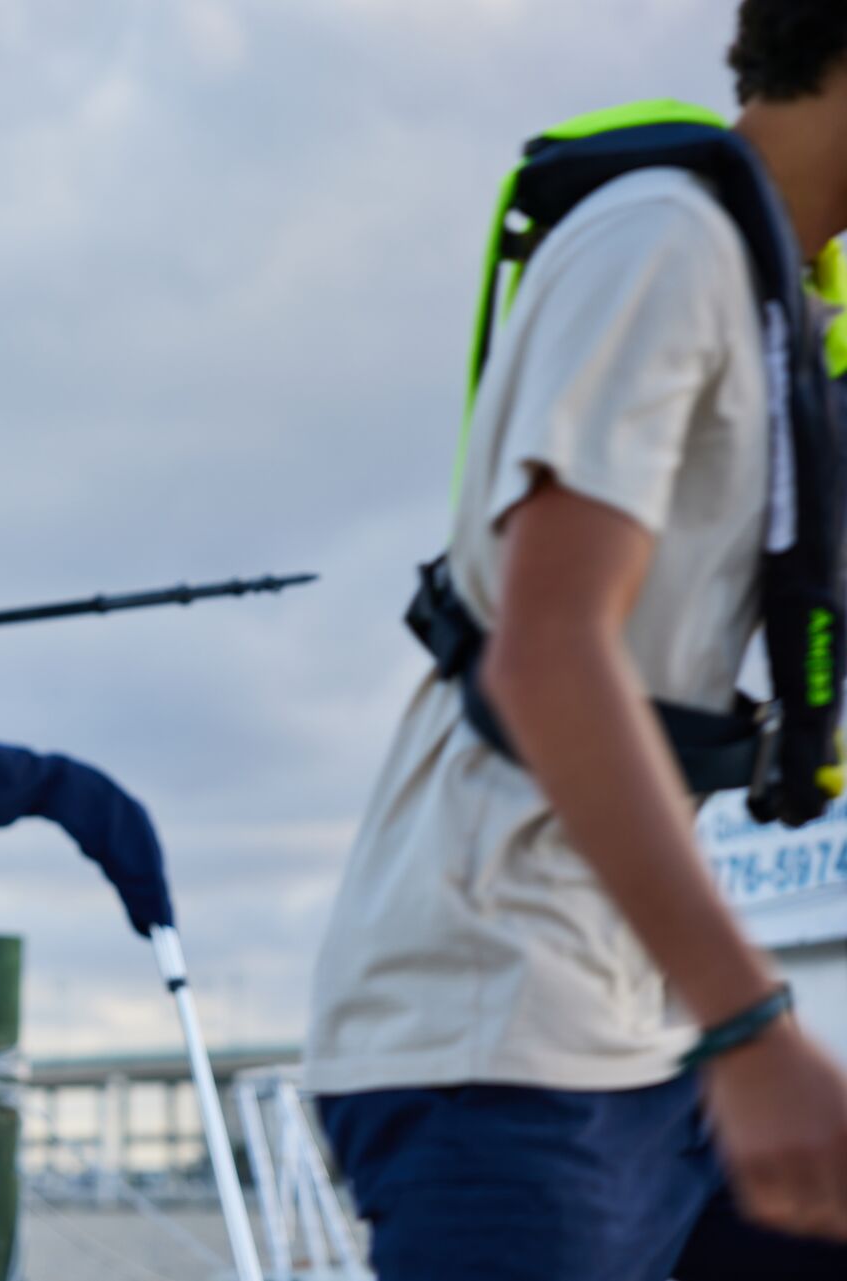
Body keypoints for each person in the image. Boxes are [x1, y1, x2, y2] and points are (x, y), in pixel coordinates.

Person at [305, 3, 847, 1277]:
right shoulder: (667, 243)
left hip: (647, 1037)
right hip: (497, 1032)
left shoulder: (793, 314)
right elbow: (547, 654)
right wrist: (754, 1028)